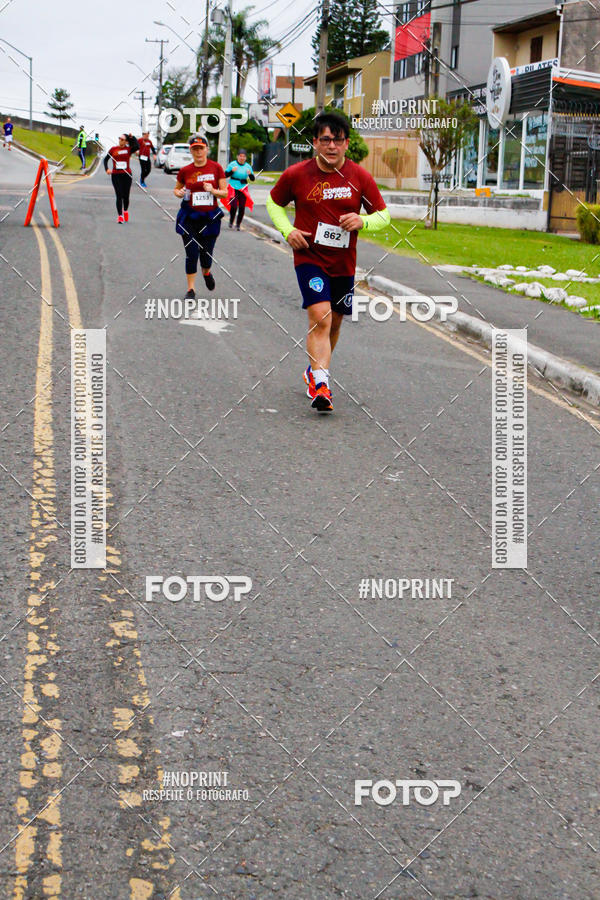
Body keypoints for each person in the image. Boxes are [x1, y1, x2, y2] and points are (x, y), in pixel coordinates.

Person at [266, 112, 391, 412]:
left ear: (347, 144)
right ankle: (321, 383)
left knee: (334, 322)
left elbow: (384, 216)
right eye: (325, 140)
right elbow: (273, 203)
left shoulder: (360, 177)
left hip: (343, 263)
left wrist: (362, 220)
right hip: (309, 256)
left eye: (337, 140)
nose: (331, 146)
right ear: (314, 142)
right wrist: (288, 230)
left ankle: (315, 369)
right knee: (320, 316)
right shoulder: (297, 174)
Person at [173, 135, 227, 300]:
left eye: (201, 148)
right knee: (191, 254)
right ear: (191, 151)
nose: (198, 152)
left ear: (206, 149)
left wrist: (213, 190)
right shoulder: (185, 171)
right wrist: (179, 193)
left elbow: (224, 193)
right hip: (189, 217)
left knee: (206, 254)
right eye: (195, 149)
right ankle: (191, 289)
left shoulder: (216, 168)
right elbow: (176, 190)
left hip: (209, 218)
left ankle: (207, 272)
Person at [103, 133, 139, 223]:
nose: (120, 140)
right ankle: (120, 216)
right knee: (119, 195)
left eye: (122, 139)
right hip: (116, 175)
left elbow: (137, 146)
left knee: (125, 196)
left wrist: (132, 137)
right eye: (119, 138)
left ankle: (125, 210)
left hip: (126, 174)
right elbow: (105, 159)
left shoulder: (129, 149)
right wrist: (107, 169)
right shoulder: (113, 149)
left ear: (126, 141)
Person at [224, 149, 255, 230]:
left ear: (245, 158)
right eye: (240, 156)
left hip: (243, 188)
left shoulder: (248, 166)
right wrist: (231, 171)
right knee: (233, 206)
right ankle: (231, 221)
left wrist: (250, 174)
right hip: (233, 187)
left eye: (244, 156)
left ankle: (238, 224)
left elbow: (253, 179)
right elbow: (225, 175)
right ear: (237, 156)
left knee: (242, 207)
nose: (242, 158)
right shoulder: (232, 164)